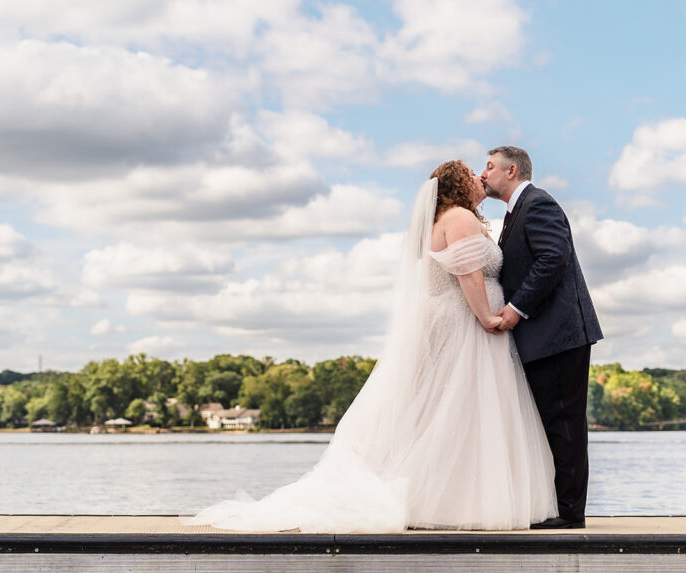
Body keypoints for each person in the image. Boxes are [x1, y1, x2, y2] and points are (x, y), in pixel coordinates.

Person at [187, 160, 557, 532]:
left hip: (455, 320)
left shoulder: (444, 220)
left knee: (448, 411)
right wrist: (486, 317)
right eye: (473, 174)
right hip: (466, 323)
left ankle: (446, 498)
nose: (480, 177)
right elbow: (468, 274)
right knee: (461, 409)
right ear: (459, 184)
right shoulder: (458, 217)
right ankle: (458, 501)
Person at [481, 146, 603, 530]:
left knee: (564, 425)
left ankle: (570, 513)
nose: (483, 174)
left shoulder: (538, 204)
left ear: (511, 171)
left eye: (489, 166)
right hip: (546, 337)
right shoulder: (516, 211)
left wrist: (516, 309)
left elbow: (553, 258)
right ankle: (558, 506)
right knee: (552, 424)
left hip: (559, 335)